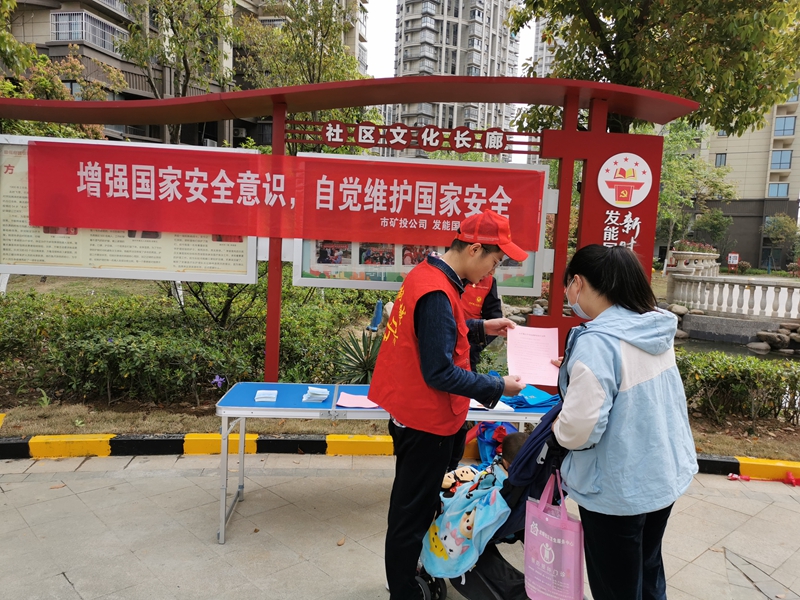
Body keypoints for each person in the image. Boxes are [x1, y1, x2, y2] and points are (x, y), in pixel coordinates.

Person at [370, 209, 528, 600]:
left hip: (416, 415)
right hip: (426, 424)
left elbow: (438, 332)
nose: (492, 271)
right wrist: (498, 386)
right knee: (410, 514)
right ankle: (404, 591)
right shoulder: (439, 293)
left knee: (414, 506)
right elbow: (439, 372)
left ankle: (412, 576)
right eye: (495, 261)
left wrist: (481, 326)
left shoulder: (428, 275)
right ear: (474, 249)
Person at [551, 244, 697, 600]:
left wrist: (557, 426)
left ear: (578, 283)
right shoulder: (653, 327)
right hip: (660, 476)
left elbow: (579, 430)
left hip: (616, 489)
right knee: (648, 572)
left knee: (616, 587)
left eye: (568, 285)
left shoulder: (597, 344)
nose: (568, 294)